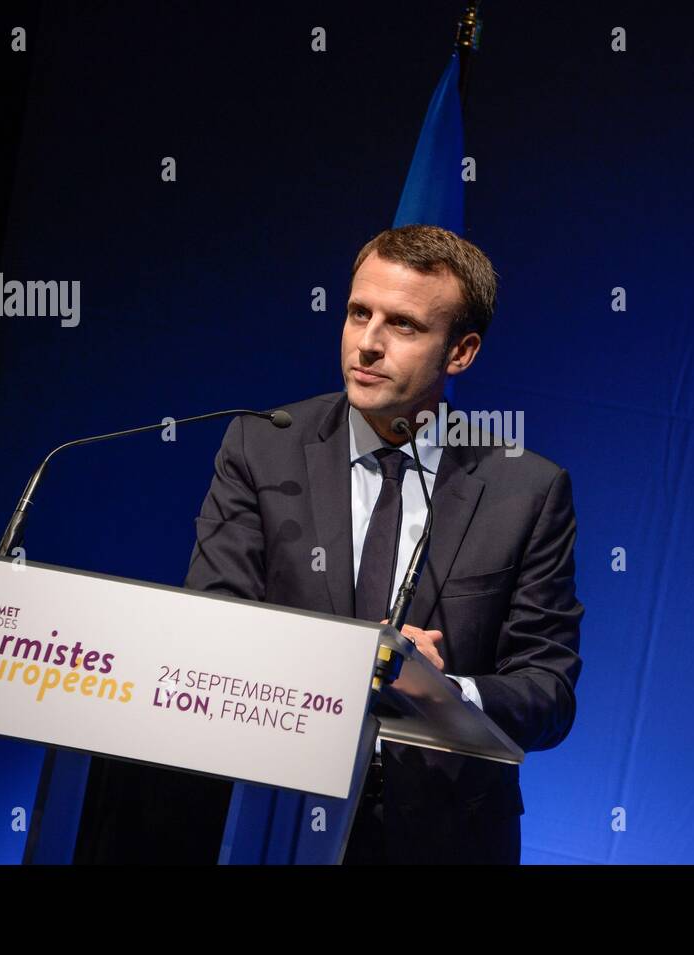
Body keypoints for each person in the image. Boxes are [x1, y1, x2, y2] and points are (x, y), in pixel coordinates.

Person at [185, 223, 584, 864]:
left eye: (402, 325)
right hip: (271, 809)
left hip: (441, 835)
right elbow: (212, 622)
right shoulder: (261, 447)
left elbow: (549, 694)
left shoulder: (527, 489)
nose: (366, 344)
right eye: (357, 313)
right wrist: (354, 663)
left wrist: (445, 689)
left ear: (461, 352)